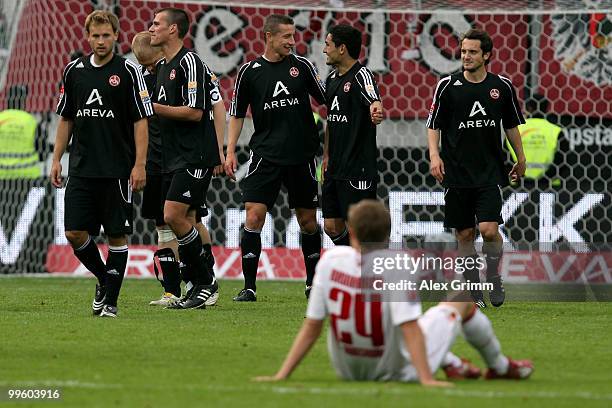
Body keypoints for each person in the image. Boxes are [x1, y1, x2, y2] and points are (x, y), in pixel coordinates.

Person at [255, 200, 533, 383]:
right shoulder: (397, 265)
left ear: (350, 232)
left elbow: (313, 326)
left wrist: (281, 375)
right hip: (394, 370)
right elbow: (410, 328)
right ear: (388, 236)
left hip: (348, 370)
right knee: (461, 298)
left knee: (396, 316)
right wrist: (426, 379)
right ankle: (498, 365)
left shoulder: (329, 261)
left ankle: (452, 362)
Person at [50, 10, 152, 318]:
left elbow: (140, 121)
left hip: (118, 170)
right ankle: (105, 279)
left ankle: (111, 302)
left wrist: (140, 164)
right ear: (87, 36)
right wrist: (56, 159)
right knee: (74, 233)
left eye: (106, 35)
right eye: (95, 35)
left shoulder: (128, 71)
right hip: (82, 167)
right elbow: (66, 118)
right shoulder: (74, 71)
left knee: (116, 236)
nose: (100, 41)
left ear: (117, 36)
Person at [225, 14, 326, 301]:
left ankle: (312, 283)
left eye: (293, 36)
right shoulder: (249, 71)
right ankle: (248, 287)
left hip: (302, 156)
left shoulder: (302, 66)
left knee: (307, 220)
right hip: (265, 156)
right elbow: (237, 113)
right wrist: (230, 150)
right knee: (254, 216)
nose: (292, 42)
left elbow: (327, 100)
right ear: (269, 36)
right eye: (286, 37)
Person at [426, 28, 527, 308]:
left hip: (489, 171)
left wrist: (521, 158)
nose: (465, 56)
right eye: (463, 51)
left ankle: (493, 276)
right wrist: (434, 156)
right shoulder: (447, 86)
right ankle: (473, 288)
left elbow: (511, 126)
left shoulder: (501, 87)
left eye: (472, 52)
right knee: (464, 235)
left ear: (486, 55)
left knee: (489, 230)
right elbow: (432, 125)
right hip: (456, 173)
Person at [132, 30, 226, 307]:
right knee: (163, 223)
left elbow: (217, 106)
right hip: (156, 161)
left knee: (190, 218)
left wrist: (219, 148)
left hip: (186, 157)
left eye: (150, 63)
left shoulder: (187, 67)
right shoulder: (142, 77)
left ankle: (206, 281)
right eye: (144, 65)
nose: (149, 69)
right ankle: (173, 291)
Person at [321, 24, 383, 247]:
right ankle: (353, 262)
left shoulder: (361, 75)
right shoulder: (331, 80)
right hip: (334, 167)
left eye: (327, 44)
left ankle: (368, 271)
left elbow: (373, 99)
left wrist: (376, 108)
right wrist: (326, 155)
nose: (324, 49)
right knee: (331, 226)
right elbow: (332, 120)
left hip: (358, 169)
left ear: (342, 48)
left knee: (360, 228)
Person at [507, 94, 564, 188]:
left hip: (518, 186)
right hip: (548, 187)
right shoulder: (556, 131)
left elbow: (505, 156)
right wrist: (545, 179)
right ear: (546, 109)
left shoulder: (516, 130)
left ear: (529, 108)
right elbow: (561, 160)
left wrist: (520, 177)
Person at [0, 85, 41, 179]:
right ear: (23, 101)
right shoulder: (30, 121)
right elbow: (43, 154)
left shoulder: (1, 118)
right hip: (27, 178)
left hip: (1, 177)